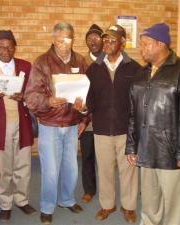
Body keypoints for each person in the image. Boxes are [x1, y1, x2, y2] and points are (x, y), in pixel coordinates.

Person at [125, 23, 180, 225]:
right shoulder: (141, 74)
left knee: (171, 204)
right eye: (141, 44)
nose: (141, 49)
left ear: (161, 44)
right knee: (150, 200)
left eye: (145, 44)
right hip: (145, 148)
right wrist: (131, 146)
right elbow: (133, 114)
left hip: (170, 151)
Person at [24, 22, 89, 225]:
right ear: (53, 39)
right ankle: (47, 206)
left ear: (73, 39)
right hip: (49, 126)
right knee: (50, 171)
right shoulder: (42, 62)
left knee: (71, 169)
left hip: (71, 125)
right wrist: (48, 101)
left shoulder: (80, 60)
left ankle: (67, 200)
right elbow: (30, 96)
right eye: (60, 40)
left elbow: (90, 93)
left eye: (68, 39)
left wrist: (84, 113)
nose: (64, 44)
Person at [0, 30, 36, 222]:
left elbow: (33, 94)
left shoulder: (26, 66)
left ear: (14, 47)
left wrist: (24, 98)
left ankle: (22, 200)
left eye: (9, 46)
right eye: (1, 46)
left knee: (24, 164)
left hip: (22, 122)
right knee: (3, 166)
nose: (5, 50)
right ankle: (5, 203)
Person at [86, 24, 141, 223]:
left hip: (125, 130)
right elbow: (89, 98)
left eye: (112, 40)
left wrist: (137, 130)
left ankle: (129, 207)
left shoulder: (134, 69)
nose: (107, 44)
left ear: (122, 43)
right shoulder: (94, 69)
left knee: (129, 171)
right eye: (105, 40)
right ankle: (107, 205)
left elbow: (138, 102)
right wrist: (83, 108)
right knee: (105, 170)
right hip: (101, 129)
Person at [80, 23, 103, 203]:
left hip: (105, 119)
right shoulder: (81, 62)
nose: (92, 41)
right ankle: (89, 189)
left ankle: (106, 190)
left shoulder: (109, 61)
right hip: (86, 119)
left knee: (105, 159)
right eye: (89, 39)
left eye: (96, 38)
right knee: (87, 155)